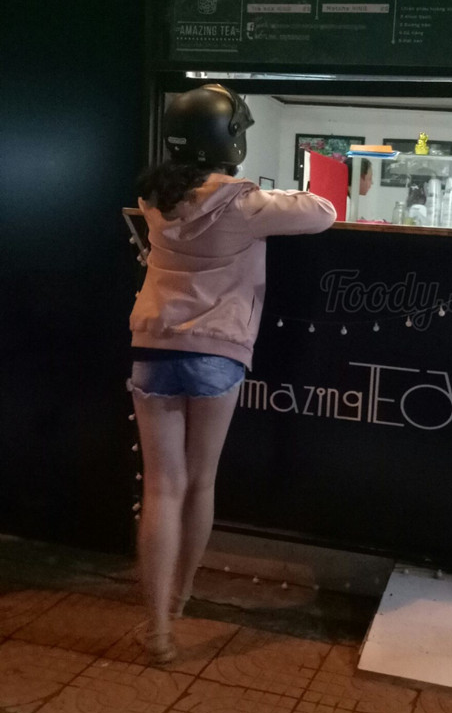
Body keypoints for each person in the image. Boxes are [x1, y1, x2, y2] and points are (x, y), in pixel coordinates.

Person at [129, 83, 336, 663]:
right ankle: (180, 601)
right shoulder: (245, 205)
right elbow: (323, 212)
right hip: (217, 353)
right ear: (230, 139)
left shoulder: (154, 199)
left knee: (160, 488)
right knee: (200, 483)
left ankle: (156, 629)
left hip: (153, 347)